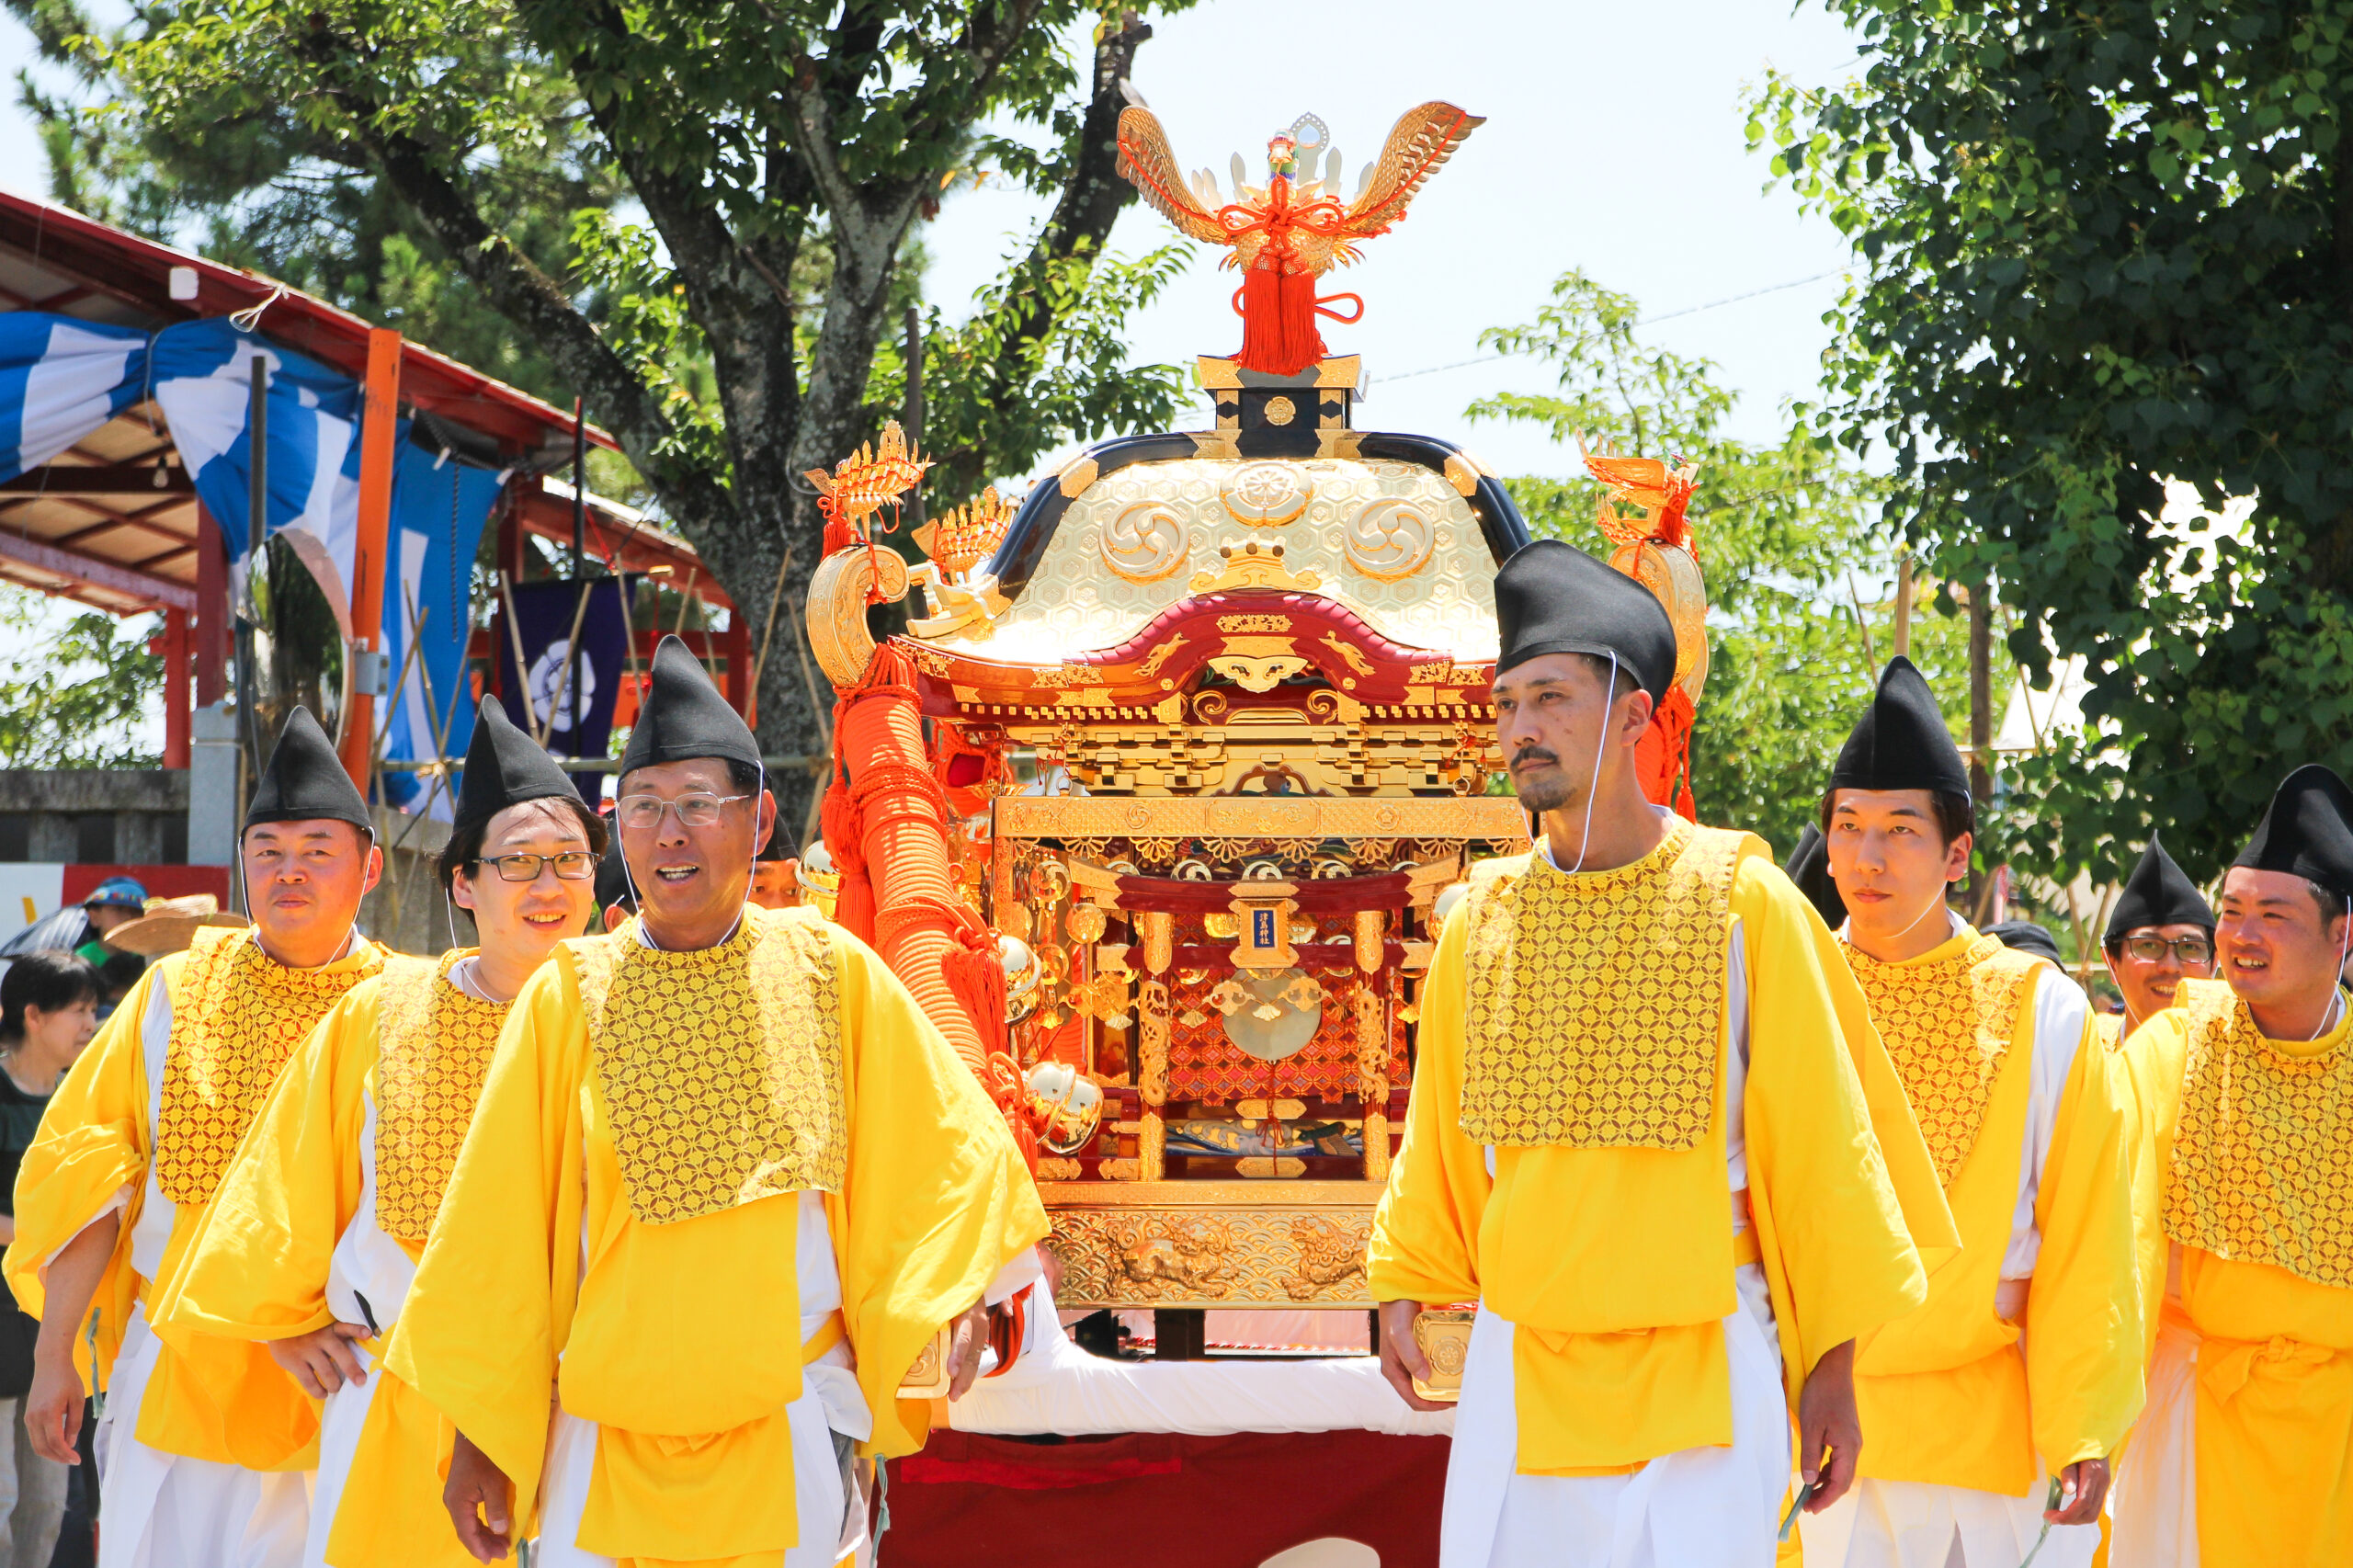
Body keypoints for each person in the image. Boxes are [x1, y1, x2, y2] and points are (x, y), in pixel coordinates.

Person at [384, 637, 1048, 1568]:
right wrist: (479, 1436)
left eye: (697, 804)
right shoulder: (568, 991)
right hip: (599, 1434)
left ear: (759, 815)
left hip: (787, 1422)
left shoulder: (828, 970)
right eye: (645, 808)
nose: (669, 834)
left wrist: (957, 1284)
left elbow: (939, 1153)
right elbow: (499, 1228)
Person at [1367, 540, 1956, 1568]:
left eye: (1550, 697)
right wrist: (1404, 1277)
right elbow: (1441, 1138)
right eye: (1507, 704)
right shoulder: (1479, 917)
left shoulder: (1744, 899)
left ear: (1635, 714)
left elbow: (1822, 1153)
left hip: (1709, 1352)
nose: (1521, 729)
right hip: (1523, 1356)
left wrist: (1830, 1364)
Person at [151, 699, 606, 1568]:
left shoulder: (632, 1017)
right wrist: (279, 1321)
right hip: (400, 1393)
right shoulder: (384, 1010)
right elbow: (283, 1179)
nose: (546, 885)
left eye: (568, 860)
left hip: (582, 1403)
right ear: (464, 885)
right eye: (516, 863)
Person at [4, 707, 384, 1568]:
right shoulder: (177, 991)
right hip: (180, 1365)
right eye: (269, 852)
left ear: (370, 868)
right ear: (243, 863)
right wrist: (54, 1354)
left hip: (341, 1372)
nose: (291, 872)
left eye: (319, 852)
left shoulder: (405, 1002)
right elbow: (96, 1176)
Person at [1801, 658, 2141, 1568]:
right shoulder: (1783, 988)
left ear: (1956, 855)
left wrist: (2082, 1423)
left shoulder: (2041, 1008)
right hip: (1805, 1421)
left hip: (1980, 1430)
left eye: (1900, 830)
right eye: (1848, 827)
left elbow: (2085, 1237)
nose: (1867, 857)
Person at [2105, 765, 2353, 1567]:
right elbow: (2118, 1235)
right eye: (2233, 911)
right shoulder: (2177, 1045)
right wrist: (2090, 1415)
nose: (2240, 935)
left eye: (2273, 915)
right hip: (2197, 1418)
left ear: (2342, 934)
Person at [0, 953, 100, 1566]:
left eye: (94, 1010)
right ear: (34, 1016)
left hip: (56, 1321)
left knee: (45, 1506)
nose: (92, 1025)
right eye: (79, 1011)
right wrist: (33, 1234)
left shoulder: (83, 1102)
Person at [2097, 835, 2216, 1047]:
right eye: (2149, 946)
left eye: (2190, 947)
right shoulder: (2084, 1055)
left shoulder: (2237, 1066)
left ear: (2214, 963)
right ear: (2112, 963)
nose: (2170, 967)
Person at [0, 881, 147, 967]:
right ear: (95, 917)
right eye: (119, 909)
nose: (129, 917)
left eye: (136, 912)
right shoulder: (79, 959)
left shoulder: (148, 957)